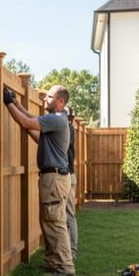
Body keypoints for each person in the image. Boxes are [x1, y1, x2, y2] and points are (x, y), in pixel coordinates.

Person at [4, 85, 74, 276]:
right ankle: (54, 262)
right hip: (55, 177)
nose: (44, 100)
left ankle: (64, 267)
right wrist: (16, 103)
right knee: (51, 220)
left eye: (49, 97)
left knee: (54, 221)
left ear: (60, 102)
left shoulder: (57, 120)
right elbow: (30, 121)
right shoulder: (57, 120)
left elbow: (27, 122)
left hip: (54, 178)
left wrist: (8, 102)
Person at [65, 105, 78, 261]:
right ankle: (69, 251)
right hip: (69, 176)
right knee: (68, 216)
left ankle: (71, 252)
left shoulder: (67, 129)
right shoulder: (69, 128)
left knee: (68, 216)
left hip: (67, 176)